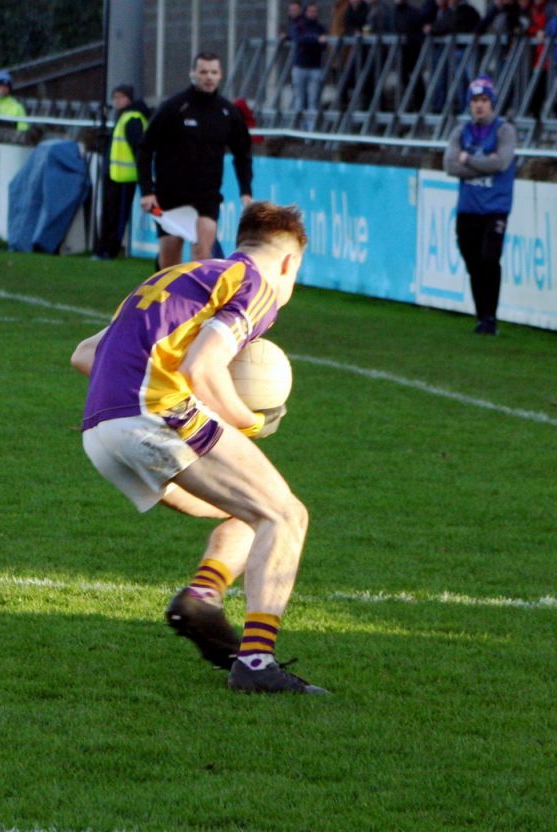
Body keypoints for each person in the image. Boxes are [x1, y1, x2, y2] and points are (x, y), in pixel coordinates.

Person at [71, 202, 324, 695]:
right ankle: (255, 664)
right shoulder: (258, 285)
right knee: (287, 516)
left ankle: (204, 595)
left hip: (101, 432)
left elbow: (83, 353)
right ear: (290, 263)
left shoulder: (182, 275)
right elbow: (203, 367)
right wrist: (245, 422)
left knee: (251, 513)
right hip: (154, 416)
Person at [136, 52, 254, 272]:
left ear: (220, 75)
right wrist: (147, 190)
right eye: (203, 72)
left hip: (206, 197)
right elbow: (145, 148)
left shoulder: (227, 112)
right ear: (192, 74)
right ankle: (164, 300)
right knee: (169, 264)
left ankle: (195, 305)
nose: (208, 77)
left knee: (202, 253)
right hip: (170, 195)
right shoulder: (174, 107)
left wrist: (245, 191)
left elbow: (243, 154)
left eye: (213, 72)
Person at [443, 77, 516, 336]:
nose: (479, 106)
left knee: (490, 258)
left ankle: (490, 318)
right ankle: (481, 315)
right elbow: (450, 166)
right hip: (468, 208)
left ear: (492, 103)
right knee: (473, 261)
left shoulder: (504, 130)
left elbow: (501, 164)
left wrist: (468, 160)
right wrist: (484, 160)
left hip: (495, 207)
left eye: (484, 100)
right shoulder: (460, 132)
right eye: (475, 101)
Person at [95, 85, 149, 260]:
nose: (116, 101)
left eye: (120, 97)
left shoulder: (132, 119)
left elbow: (138, 150)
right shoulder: (125, 117)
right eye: (115, 97)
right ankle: (104, 248)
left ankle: (110, 250)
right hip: (115, 175)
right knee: (110, 214)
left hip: (125, 177)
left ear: (128, 99)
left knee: (117, 216)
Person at [290, 4, 329, 123]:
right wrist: (316, 39)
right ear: (305, 12)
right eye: (310, 11)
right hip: (300, 67)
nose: (313, 14)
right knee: (300, 101)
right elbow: (300, 39)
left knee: (313, 101)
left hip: (315, 67)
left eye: (315, 11)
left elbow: (324, 45)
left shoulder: (319, 27)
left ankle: (310, 132)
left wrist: (315, 40)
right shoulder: (299, 26)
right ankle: (300, 130)